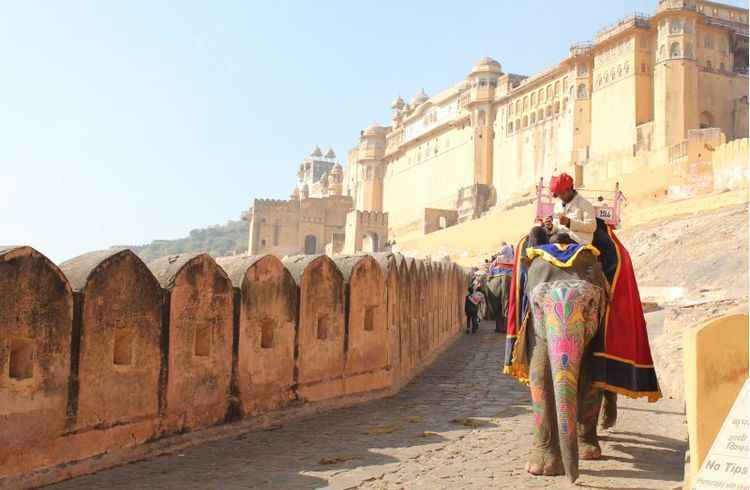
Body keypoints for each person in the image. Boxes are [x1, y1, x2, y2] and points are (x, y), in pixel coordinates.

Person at [543, 172, 596, 245]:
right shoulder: (558, 205)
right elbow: (556, 226)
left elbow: (591, 227)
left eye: (562, 193)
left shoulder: (585, 204)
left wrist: (569, 223)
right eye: (558, 194)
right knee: (535, 231)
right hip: (559, 236)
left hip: (577, 240)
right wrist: (551, 226)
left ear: (570, 189)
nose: (560, 197)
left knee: (555, 239)